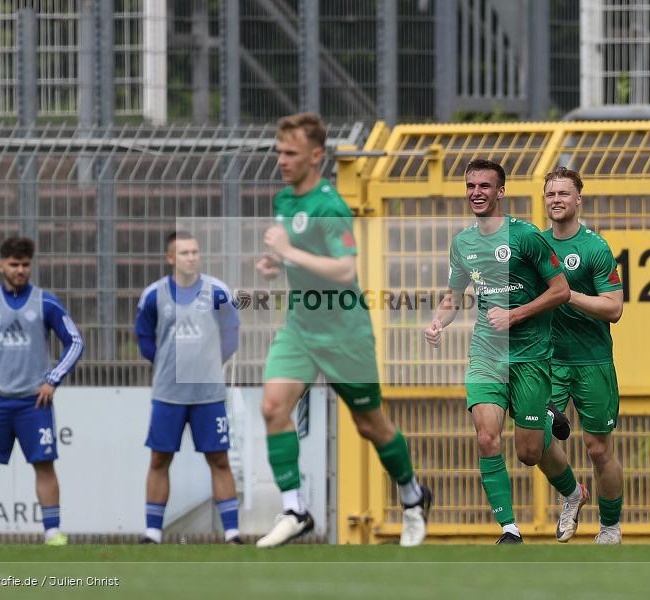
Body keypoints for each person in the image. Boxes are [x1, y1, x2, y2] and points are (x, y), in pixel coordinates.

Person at [254, 112, 431, 548]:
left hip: (344, 331)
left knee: (370, 425)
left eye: (290, 153)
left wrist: (289, 251)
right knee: (273, 407)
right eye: (279, 152)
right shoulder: (285, 201)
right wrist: (275, 264)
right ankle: (295, 509)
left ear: (316, 156)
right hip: (300, 325)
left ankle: (412, 497)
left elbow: (344, 267)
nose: (282, 160)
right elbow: (293, 257)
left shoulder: (330, 205)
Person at [424, 159, 583, 544]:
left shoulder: (527, 237)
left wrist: (516, 315)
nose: (476, 193)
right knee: (486, 437)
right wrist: (437, 323)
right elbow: (453, 297)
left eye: (484, 186)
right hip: (486, 354)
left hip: (529, 356)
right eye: (470, 186)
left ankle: (574, 490)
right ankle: (509, 529)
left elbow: (560, 291)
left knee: (529, 453)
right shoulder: (462, 243)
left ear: (501, 191)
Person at [0, 236, 84, 546]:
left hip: (35, 402)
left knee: (44, 465)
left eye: (25, 264)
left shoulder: (46, 302)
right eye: (14, 264)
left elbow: (75, 341)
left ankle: (52, 533)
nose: (20, 270)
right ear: (1, 266)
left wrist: (53, 379)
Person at [135, 232, 242, 544]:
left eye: (195, 251)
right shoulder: (154, 295)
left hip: (208, 394)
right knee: (159, 459)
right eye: (184, 253)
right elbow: (144, 338)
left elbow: (231, 334)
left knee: (219, 460)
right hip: (168, 393)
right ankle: (152, 533)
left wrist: (209, 365)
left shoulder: (218, 291)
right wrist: (168, 365)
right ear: (171, 258)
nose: (191, 257)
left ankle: (233, 533)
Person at [542, 166, 625, 544]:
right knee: (536, 437)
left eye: (562, 193)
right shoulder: (535, 246)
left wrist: (567, 294)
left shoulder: (595, 248)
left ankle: (609, 527)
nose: (556, 199)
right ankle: (572, 493)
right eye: (550, 194)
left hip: (592, 361)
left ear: (578, 199)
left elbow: (614, 308)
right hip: (547, 361)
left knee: (598, 448)